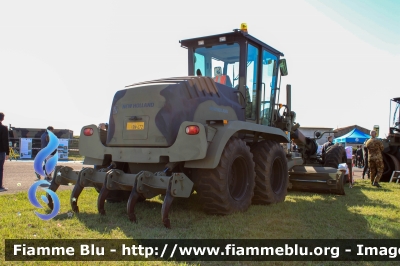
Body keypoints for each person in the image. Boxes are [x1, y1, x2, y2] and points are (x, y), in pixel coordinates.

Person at [0, 112, 9, 192]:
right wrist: (8, 152)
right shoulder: (3, 128)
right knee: (0, 169)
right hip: (1, 151)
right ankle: (0, 186)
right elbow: (5, 141)